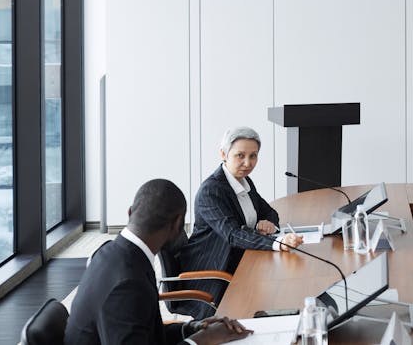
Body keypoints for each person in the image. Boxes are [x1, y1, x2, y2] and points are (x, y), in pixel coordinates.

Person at [65, 178, 252, 345]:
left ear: (130, 212)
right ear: (178, 224)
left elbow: (144, 331)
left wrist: (194, 328)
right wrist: (201, 341)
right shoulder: (127, 284)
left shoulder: (113, 252)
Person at [177, 127, 303, 318]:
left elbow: (268, 211)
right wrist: (277, 243)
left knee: (289, 275)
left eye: (253, 156)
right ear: (223, 154)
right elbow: (232, 234)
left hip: (240, 259)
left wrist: (269, 222)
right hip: (214, 269)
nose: (247, 163)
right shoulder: (211, 191)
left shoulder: (244, 181)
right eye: (240, 155)